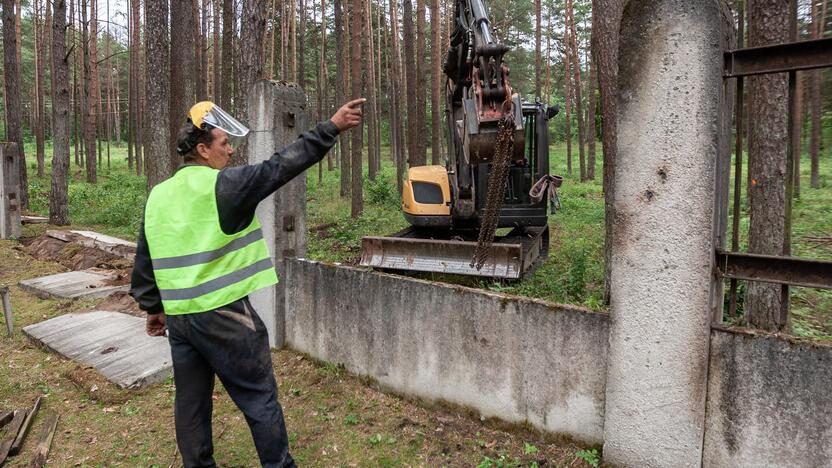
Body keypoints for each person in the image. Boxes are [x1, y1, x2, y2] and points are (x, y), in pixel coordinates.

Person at [130, 98, 364, 467]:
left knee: (190, 405)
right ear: (203, 150)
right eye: (225, 143)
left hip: (181, 321)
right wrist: (330, 127)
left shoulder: (158, 195)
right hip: (225, 316)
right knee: (259, 398)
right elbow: (281, 166)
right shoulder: (226, 185)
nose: (231, 149)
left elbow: (145, 258)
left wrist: (153, 308)